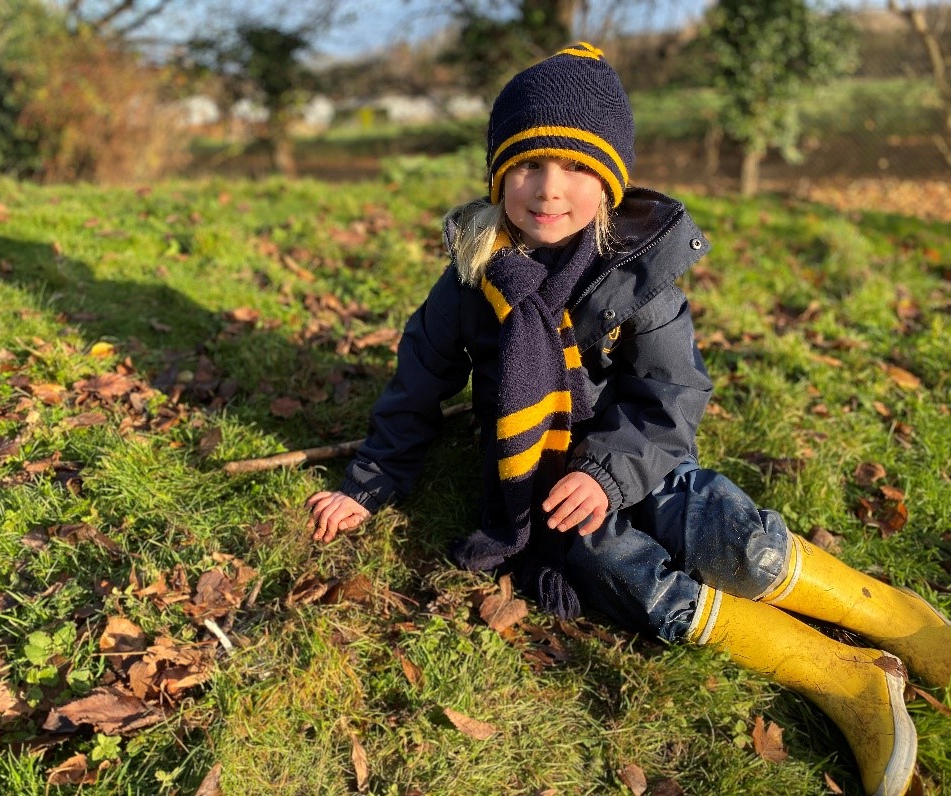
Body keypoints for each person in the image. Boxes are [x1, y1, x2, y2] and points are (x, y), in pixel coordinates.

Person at [304, 42, 948, 796]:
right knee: (622, 574)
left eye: (578, 168)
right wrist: (368, 483)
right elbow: (415, 386)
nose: (549, 190)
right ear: (496, 175)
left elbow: (670, 395)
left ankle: (900, 619)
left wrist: (609, 471)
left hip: (638, 457)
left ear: (609, 184)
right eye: (527, 166)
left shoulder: (637, 276)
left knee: (731, 540)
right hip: (541, 472)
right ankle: (841, 677)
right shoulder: (473, 278)